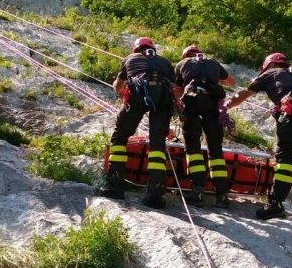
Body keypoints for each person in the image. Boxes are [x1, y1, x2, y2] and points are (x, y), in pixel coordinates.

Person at [223, 53, 292, 227]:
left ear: (269, 65)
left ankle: (275, 203)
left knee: (284, 159)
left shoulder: (270, 73)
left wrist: (226, 106)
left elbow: (243, 94)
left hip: (291, 111)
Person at [99, 37, 175, 208]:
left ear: (136, 49)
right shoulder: (165, 62)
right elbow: (175, 90)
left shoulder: (130, 59)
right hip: (163, 99)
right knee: (158, 145)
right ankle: (154, 195)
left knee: (119, 139)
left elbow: (118, 88)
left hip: (138, 96)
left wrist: (118, 83)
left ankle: (115, 187)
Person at [173, 45, 236, 207]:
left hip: (192, 101)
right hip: (212, 104)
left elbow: (177, 89)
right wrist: (215, 79)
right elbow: (231, 82)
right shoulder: (213, 63)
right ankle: (222, 195)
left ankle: (198, 191)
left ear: (185, 56)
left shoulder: (182, 64)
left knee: (193, 145)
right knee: (215, 148)